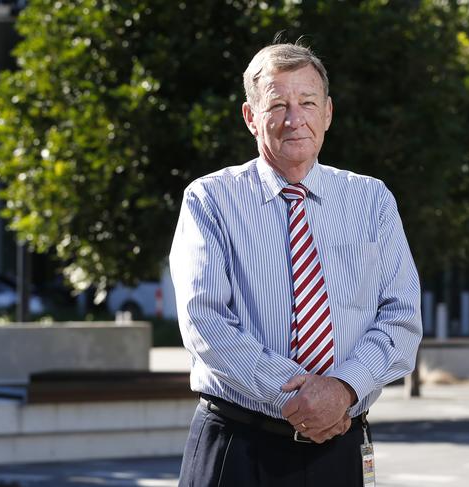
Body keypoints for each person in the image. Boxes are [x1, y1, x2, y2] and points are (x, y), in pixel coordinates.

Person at [169, 41, 422, 487]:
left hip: (340, 449)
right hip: (238, 448)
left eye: (307, 102)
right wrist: (300, 397)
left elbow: (401, 318)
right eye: (278, 104)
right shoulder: (209, 200)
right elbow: (205, 320)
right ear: (250, 116)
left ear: (328, 112)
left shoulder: (373, 201)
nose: (294, 118)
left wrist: (342, 389)